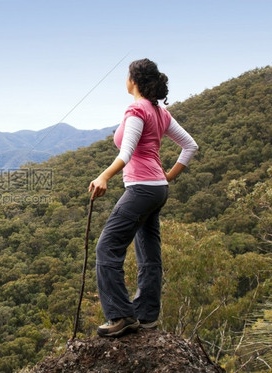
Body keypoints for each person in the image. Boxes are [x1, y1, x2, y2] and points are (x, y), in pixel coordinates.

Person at [88, 58, 198, 337]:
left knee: (107, 248)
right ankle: (147, 315)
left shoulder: (137, 109)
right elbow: (190, 146)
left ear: (134, 81)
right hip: (157, 189)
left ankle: (121, 316)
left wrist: (104, 177)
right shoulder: (160, 112)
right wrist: (168, 177)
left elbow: (125, 154)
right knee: (149, 252)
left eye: (127, 76)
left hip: (141, 189)